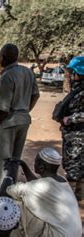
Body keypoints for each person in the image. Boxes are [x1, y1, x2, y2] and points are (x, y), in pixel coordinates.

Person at [0, 43, 40, 189]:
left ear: (3, 58)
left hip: (6, 122)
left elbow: (3, 108)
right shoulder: (28, 72)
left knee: (2, 163)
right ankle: (12, 191)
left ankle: (3, 197)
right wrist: (25, 110)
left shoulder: (7, 76)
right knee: (14, 161)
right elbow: (36, 95)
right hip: (23, 120)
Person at [0, 148, 82, 237]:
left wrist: (10, 172)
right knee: (28, 200)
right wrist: (24, 165)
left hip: (57, 235)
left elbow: (5, 192)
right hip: (74, 233)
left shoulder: (39, 186)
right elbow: (36, 184)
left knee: (15, 205)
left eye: (36, 161)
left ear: (42, 167)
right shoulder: (61, 180)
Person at [57, 56, 83, 199]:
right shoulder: (77, 90)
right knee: (73, 167)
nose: (72, 76)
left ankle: (72, 199)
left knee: (75, 170)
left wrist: (71, 119)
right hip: (72, 136)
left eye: (74, 73)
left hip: (79, 137)